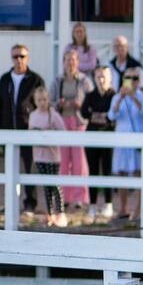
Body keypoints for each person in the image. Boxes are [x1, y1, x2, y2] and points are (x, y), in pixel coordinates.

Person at [0, 44, 43, 215]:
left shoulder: (35, 80)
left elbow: (41, 104)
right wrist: (0, 130)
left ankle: (30, 203)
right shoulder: (5, 79)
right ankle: (10, 203)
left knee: (29, 168)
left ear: (27, 58)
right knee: (10, 170)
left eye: (22, 56)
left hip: (28, 132)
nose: (18, 60)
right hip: (8, 132)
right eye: (15, 57)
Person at [53, 47, 90, 220]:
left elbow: (90, 102)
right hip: (61, 123)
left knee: (79, 163)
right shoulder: (57, 80)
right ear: (63, 62)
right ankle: (64, 198)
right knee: (63, 162)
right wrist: (58, 103)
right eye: (67, 59)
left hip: (77, 123)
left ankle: (79, 198)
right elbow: (50, 102)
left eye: (73, 60)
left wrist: (79, 104)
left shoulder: (84, 80)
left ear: (77, 62)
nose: (70, 63)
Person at [108, 68, 143, 219]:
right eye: (128, 77)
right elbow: (112, 116)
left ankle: (138, 211)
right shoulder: (117, 97)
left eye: (134, 77)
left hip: (138, 139)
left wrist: (133, 97)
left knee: (139, 175)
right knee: (122, 173)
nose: (131, 80)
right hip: (122, 139)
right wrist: (120, 98)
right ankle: (123, 209)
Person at [25, 85, 64, 225]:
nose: (42, 102)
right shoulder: (33, 115)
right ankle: (50, 213)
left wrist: (50, 134)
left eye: (45, 99)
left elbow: (62, 130)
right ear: (35, 101)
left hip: (52, 156)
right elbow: (30, 133)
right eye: (39, 100)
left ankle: (60, 213)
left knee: (55, 185)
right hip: (39, 156)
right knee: (46, 186)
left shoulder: (53, 114)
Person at [81, 65, 115, 218]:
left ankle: (108, 204)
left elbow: (113, 116)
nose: (101, 80)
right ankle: (93, 205)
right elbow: (84, 112)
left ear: (110, 78)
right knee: (93, 171)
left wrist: (99, 116)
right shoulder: (90, 95)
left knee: (107, 170)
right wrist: (102, 116)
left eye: (104, 77)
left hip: (109, 137)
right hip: (92, 137)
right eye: (98, 77)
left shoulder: (114, 95)